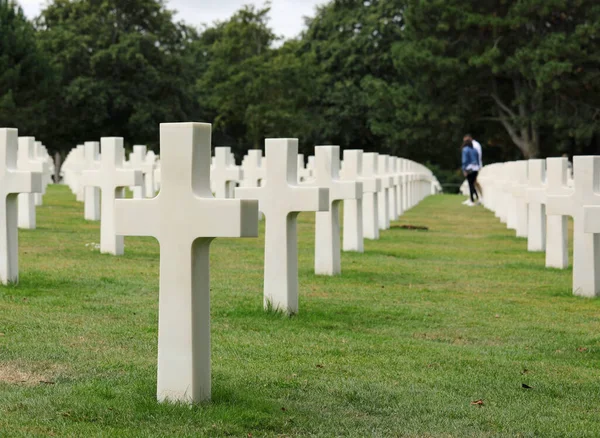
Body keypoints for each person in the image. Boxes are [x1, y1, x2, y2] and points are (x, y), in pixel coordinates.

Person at [461, 139, 480, 206]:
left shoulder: (465, 149)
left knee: (470, 184)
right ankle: (477, 198)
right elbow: (478, 160)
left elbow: (465, 160)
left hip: (469, 168)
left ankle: (472, 200)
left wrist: (464, 170)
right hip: (476, 168)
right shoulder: (475, 150)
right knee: (472, 184)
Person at [465, 134, 483, 199]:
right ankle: (476, 198)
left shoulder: (473, 146)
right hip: (475, 167)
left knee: (472, 183)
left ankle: (474, 199)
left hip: (472, 168)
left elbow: (477, 157)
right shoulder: (474, 146)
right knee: (473, 183)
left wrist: (465, 169)